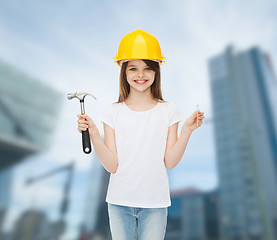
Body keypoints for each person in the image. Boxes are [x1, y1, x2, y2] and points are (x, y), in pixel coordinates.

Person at [77, 29, 205, 240]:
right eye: (133, 68)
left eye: (147, 68)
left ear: (156, 71)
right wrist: (93, 133)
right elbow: (112, 165)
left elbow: (170, 161)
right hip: (119, 202)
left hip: (155, 204)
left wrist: (187, 131)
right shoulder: (112, 112)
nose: (140, 75)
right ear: (124, 72)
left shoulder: (169, 110)